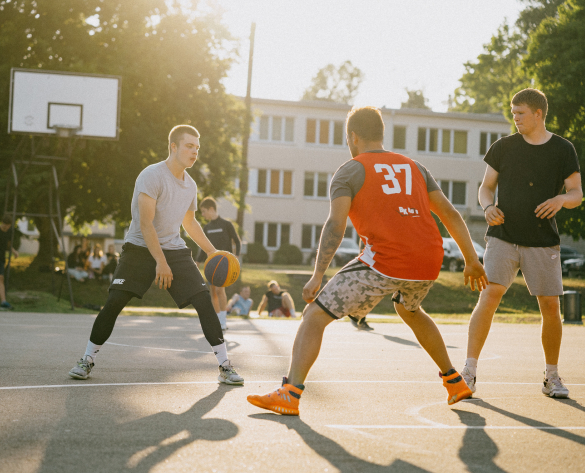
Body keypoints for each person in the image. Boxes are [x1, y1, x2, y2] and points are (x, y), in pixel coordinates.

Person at [248, 106, 488, 415]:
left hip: (386, 261)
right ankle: (455, 381)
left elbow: (336, 226)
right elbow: (449, 214)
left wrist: (317, 276)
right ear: (381, 134)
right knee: (410, 310)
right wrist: (471, 259)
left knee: (314, 316)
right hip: (428, 260)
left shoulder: (349, 170)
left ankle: (290, 393)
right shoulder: (414, 167)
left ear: (353, 137)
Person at [68, 125, 244, 385]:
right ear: (173, 146)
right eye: (189, 146)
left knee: (204, 300)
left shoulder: (191, 185)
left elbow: (190, 222)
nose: (195, 152)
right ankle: (87, 359)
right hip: (139, 248)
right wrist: (160, 262)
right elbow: (145, 223)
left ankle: (225, 365)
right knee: (115, 301)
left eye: (197, 148)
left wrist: (212, 252)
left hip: (174, 249)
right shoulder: (151, 175)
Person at [461, 88, 582, 399]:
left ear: (538, 114)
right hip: (503, 236)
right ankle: (469, 371)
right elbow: (485, 189)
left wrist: (560, 199)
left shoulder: (562, 149)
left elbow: (576, 194)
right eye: (512, 113)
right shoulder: (503, 147)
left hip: (542, 240)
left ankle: (551, 376)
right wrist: (488, 208)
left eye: (520, 113)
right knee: (489, 297)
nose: (514, 118)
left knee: (551, 307)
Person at [197, 196, 241, 331]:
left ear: (211, 209)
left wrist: (236, 257)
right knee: (213, 292)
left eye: (204, 211)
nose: (203, 215)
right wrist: (198, 261)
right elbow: (203, 247)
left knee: (220, 290)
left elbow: (237, 241)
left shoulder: (226, 224)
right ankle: (217, 320)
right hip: (211, 264)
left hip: (225, 264)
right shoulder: (207, 227)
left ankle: (223, 321)